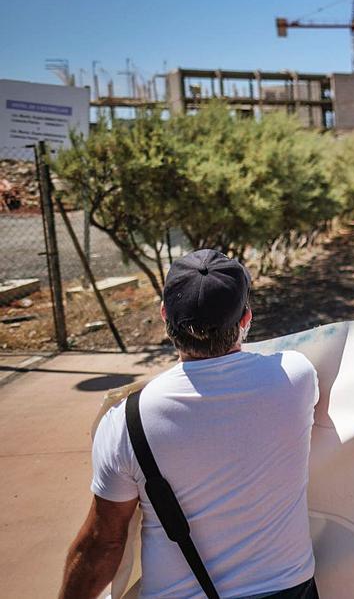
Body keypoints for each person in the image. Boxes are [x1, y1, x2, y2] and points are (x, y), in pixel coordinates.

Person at [60, 250, 319, 599]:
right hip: (290, 591)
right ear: (246, 318)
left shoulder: (126, 420)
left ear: (165, 314)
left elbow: (103, 543)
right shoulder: (295, 376)